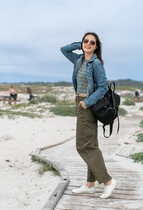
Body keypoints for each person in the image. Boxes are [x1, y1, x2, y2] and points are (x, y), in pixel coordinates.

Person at [60, 32, 117, 199]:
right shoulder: (79, 60)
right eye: (86, 41)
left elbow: (103, 87)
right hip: (81, 103)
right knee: (90, 144)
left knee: (84, 146)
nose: (88, 44)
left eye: (92, 42)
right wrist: (80, 45)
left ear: (97, 46)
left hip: (87, 105)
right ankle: (90, 184)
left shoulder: (96, 64)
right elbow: (63, 49)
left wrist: (87, 102)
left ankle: (107, 181)